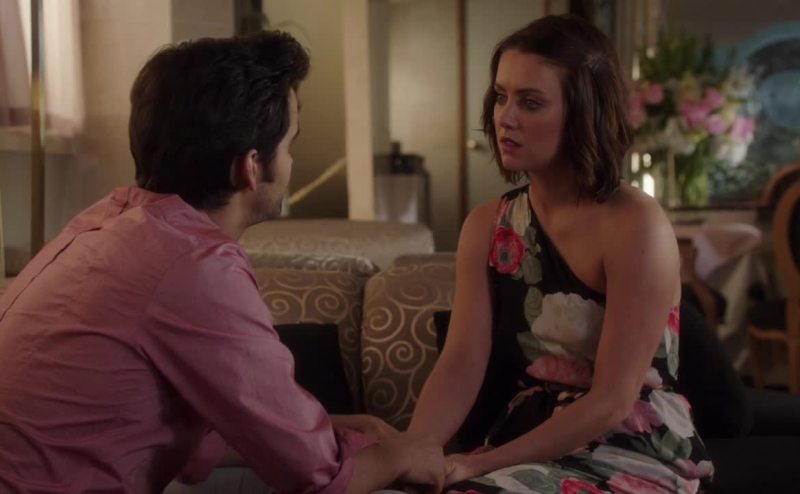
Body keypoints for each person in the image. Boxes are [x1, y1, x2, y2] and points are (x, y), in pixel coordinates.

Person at [0, 31, 445, 494]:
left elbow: (179, 429)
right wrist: (400, 455)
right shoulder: (196, 264)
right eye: (290, 145)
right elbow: (317, 477)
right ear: (251, 166)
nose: (291, 162)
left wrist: (325, 429)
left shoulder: (101, 222)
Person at [410, 15, 714, 493]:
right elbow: (460, 366)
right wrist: (410, 454)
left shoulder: (636, 225)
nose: (505, 117)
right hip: (527, 439)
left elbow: (613, 401)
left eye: (530, 102)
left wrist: (477, 465)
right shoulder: (487, 226)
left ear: (583, 113)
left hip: (631, 451)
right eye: (501, 96)